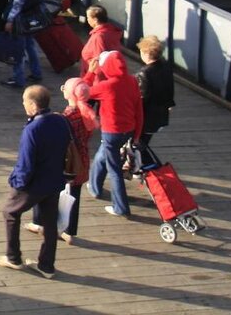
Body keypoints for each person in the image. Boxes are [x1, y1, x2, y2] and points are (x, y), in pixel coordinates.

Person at [0, 84, 71, 280]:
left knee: (10, 212)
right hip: (54, 180)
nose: (23, 105)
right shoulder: (60, 120)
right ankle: (47, 266)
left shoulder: (33, 129)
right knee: (50, 222)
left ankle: (13, 257)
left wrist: (17, 183)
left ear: (32, 104)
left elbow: (26, 163)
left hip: (35, 183)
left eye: (24, 102)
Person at [26, 78, 97, 245]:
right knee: (74, 197)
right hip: (82, 160)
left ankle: (41, 223)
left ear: (70, 94)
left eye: (65, 88)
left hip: (67, 163)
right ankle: (69, 231)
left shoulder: (66, 117)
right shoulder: (86, 113)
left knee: (47, 190)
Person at [88, 50, 143, 217]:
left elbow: (83, 92)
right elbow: (139, 110)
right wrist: (137, 135)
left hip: (111, 131)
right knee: (101, 156)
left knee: (114, 170)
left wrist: (92, 73)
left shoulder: (107, 86)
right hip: (129, 129)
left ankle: (120, 207)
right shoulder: (132, 81)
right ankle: (95, 187)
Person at [1, 0, 45, 88]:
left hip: (20, 19)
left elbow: (18, 3)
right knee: (30, 45)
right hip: (33, 17)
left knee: (17, 48)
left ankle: (18, 78)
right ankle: (36, 72)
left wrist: (10, 20)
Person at [136, 35, 174, 147]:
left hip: (146, 118)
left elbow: (142, 98)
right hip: (160, 115)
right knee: (144, 144)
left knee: (138, 146)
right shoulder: (166, 67)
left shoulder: (144, 73)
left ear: (146, 53)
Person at [79, 6, 123, 84]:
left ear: (95, 20)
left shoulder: (98, 37)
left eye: (88, 17)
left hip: (95, 80)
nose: (87, 19)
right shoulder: (111, 31)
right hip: (110, 76)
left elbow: (99, 62)